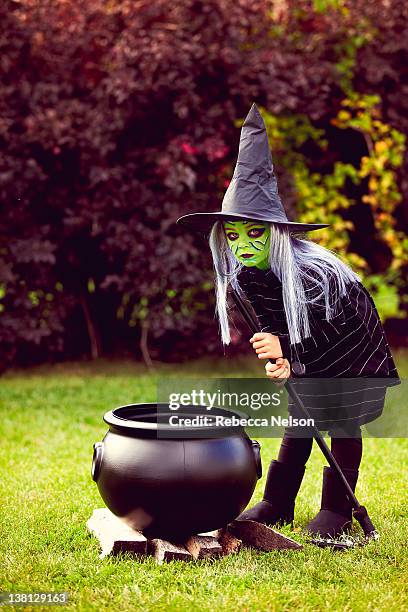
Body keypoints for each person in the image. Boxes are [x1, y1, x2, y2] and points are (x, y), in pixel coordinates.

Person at [177, 103, 400, 537]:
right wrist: (285, 361)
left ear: (277, 233)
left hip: (351, 356)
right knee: (298, 419)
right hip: (306, 354)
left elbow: (336, 330)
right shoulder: (243, 278)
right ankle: (277, 502)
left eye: (254, 233)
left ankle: (336, 511)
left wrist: (289, 347)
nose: (241, 245)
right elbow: (273, 325)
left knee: (339, 418)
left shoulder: (319, 277)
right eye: (233, 235)